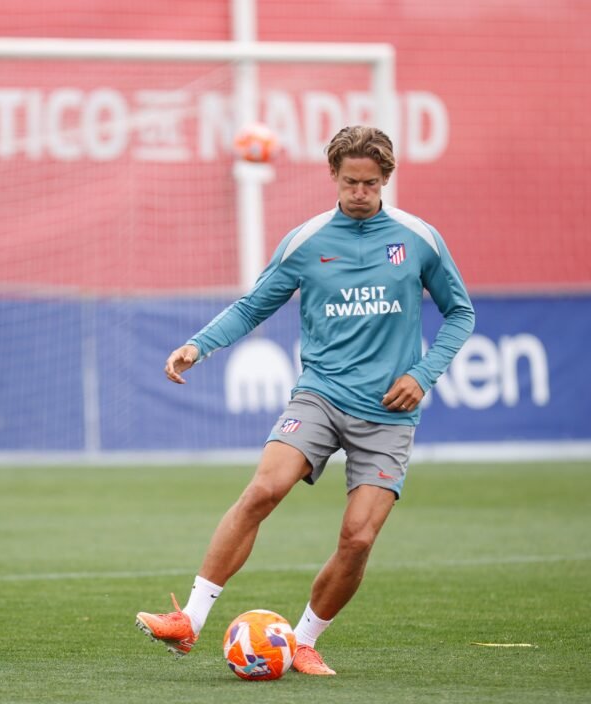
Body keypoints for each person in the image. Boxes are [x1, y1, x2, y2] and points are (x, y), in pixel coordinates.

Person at [134, 125, 475, 676]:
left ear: (386, 178)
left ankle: (303, 640)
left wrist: (424, 372)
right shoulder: (307, 240)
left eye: (369, 183)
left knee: (358, 537)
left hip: (389, 413)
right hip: (319, 395)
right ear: (333, 177)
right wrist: (199, 345)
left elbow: (461, 313)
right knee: (263, 489)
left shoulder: (418, 238)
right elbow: (252, 306)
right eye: (348, 182)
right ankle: (190, 620)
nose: (358, 193)